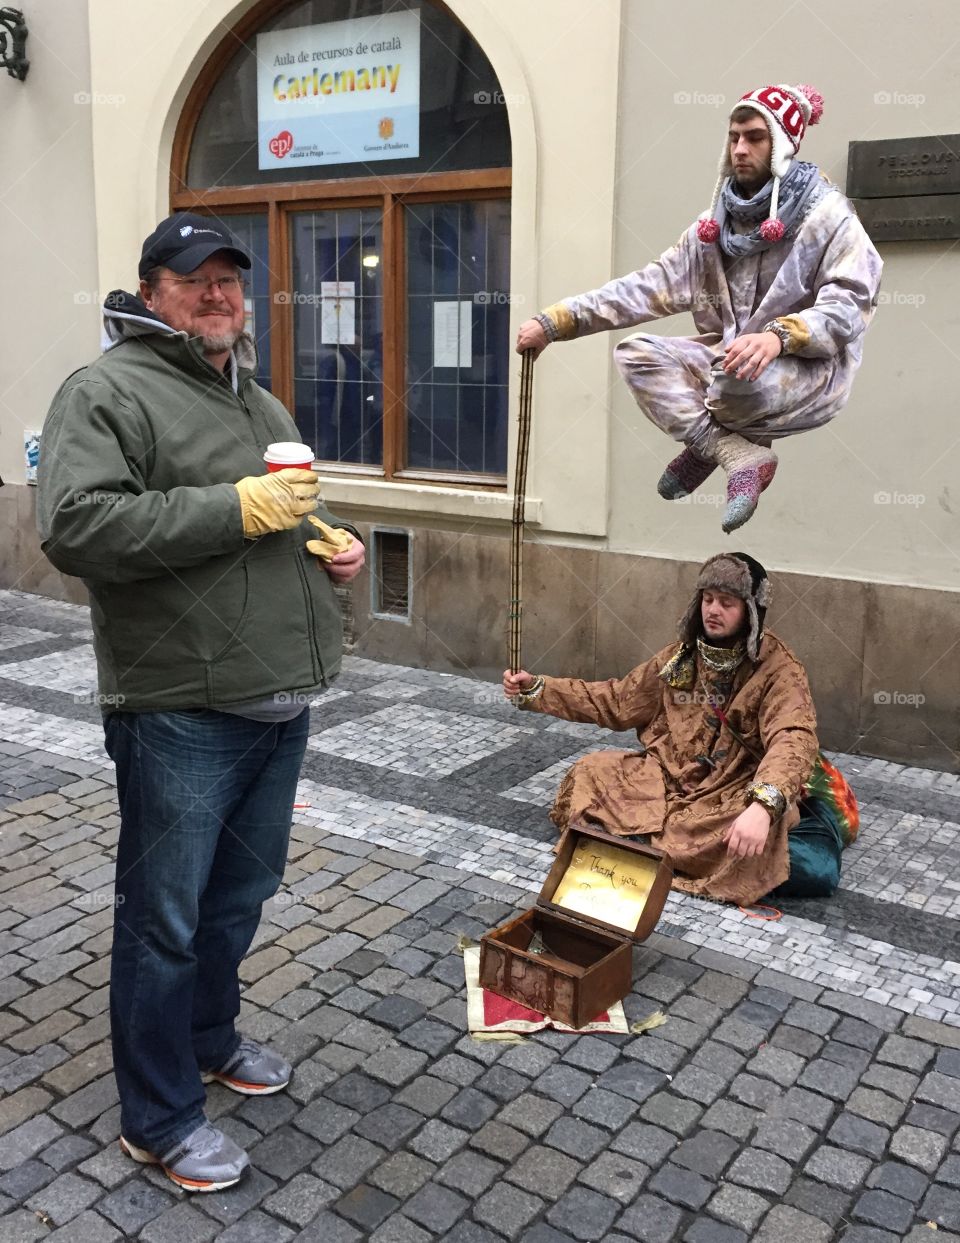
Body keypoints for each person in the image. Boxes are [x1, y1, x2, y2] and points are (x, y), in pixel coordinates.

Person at [37, 213, 365, 1193]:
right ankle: (159, 1115)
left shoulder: (255, 399)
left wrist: (331, 543)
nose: (218, 295)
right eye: (195, 279)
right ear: (152, 293)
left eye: (230, 279)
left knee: (236, 901)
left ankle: (212, 1040)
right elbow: (77, 525)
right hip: (179, 703)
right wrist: (237, 509)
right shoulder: (105, 393)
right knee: (163, 920)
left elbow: (286, 509)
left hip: (276, 700)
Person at [516, 84, 883, 532]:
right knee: (635, 354)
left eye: (754, 137)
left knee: (731, 373)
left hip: (806, 371)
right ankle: (732, 451)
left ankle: (712, 444)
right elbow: (644, 287)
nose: (740, 149)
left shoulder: (829, 217)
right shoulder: (712, 228)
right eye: (733, 137)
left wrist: (779, 336)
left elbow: (851, 300)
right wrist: (555, 322)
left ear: (783, 145)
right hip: (732, 364)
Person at [502, 553, 818, 906]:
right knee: (590, 771)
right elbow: (617, 700)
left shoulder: (778, 669)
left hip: (727, 790)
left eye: (727, 603)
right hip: (662, 777)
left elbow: (794, 737)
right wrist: (539, 688)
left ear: (751, 611)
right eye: (708, 600)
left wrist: (763, 807)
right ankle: (653, 845)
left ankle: (632, 841)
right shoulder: (678, 657)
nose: (713, 610)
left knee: (746, 830)